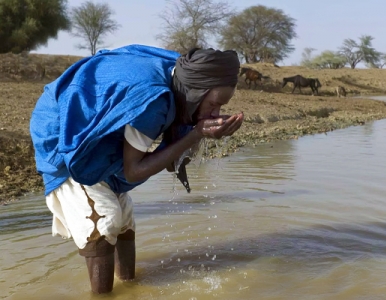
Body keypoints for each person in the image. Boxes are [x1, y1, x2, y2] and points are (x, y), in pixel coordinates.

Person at [29, 44, 244, 294]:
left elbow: (166, 159)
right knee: (103, 220)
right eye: (213, 105)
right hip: (64, 130)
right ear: (196, 93)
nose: (215, 113)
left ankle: (130, 287)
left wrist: (197, 130)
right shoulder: (154, 100)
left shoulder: (183, 76)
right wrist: (196, 133)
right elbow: (133, 171)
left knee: (125, 218)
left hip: (101, 128)